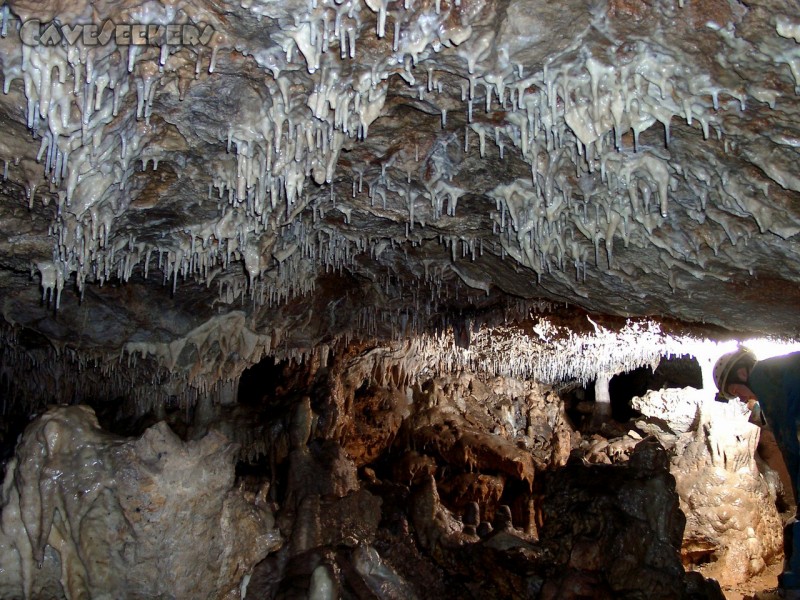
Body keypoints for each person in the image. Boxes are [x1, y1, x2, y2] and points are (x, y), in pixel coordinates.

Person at [714, 347, 800, 593]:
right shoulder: (779, 376)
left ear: (742, 372)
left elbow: (788, 436)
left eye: (734, 391)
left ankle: (795, 587)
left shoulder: (763, 375)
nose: (740, 398)